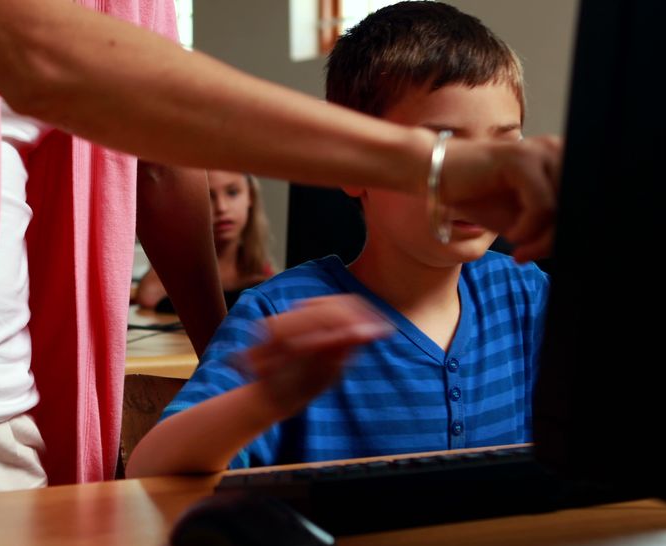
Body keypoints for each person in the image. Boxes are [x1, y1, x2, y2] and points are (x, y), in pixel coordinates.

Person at [0, 0, 561, 521]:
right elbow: (44, 56)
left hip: (27, 419)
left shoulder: (521, 301)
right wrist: (436, 165)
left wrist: (233, 356)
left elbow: (161, 161)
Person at [127, 1, 551, 477]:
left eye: (502, 147)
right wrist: (269, 397)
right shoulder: (280, 314)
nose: (479, 180)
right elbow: (152, 468)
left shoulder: (527, 296)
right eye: (443, 150)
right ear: (352, 166)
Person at [136, 171, 275, 312]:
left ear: (250, 197)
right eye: (208, 196)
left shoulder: (257, 266)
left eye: (232, 193)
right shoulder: (183, 260)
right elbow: (148, 295)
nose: (222, 208)